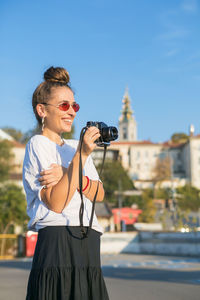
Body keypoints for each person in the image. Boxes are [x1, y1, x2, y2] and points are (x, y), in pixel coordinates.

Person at [23, 66, 110, 300]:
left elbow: (99, 193)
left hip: (89, 240)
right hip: (58, 240)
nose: (71, 111)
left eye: (74, 106)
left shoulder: (74, 146)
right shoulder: (38, 144)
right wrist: (81, 157)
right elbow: (56, 202)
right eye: (63, 105)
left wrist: (69, 173)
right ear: (42, 110)